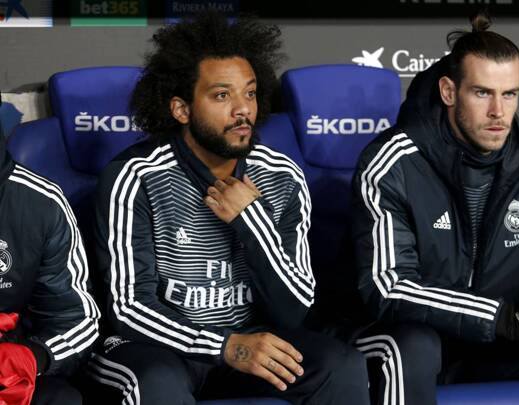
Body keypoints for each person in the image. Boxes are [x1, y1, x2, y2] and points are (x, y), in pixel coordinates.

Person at [87, 12, 369, 405]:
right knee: (156, 380)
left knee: (338, 365)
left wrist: (251, 221)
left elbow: (296, 309)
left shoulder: (281, 176)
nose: (243, 110)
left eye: (249, 94)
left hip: (248, 344)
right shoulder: (136, 176)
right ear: (182, 109)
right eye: (222, 96)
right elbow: (128, 310)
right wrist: (224, 346)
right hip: (162, 350)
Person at [351, 13, 519, 405]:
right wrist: (500, 318)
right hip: (411, 342)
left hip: (501, 342)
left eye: (510, 94)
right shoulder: (393, 162)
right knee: (413, 345)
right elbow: (388, 287)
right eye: (482, 93)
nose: (498, 111)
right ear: (449, 92)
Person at [0, 137, 101, 404]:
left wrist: (33, 356)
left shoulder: (40, 202)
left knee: (61, 399)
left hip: (5, 365)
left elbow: (74, 318)